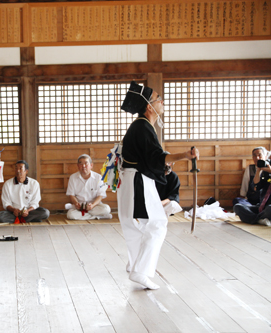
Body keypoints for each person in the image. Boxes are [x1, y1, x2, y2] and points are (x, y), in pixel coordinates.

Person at [117, 81, 199, 290]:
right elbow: (156, 157)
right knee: (157, 224)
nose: (162, 102)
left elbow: (151, 160)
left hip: (130, 180)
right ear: (149, 106)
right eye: (158, 99)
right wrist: (185, 156)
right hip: (137, 181)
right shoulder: (143, 126)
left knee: (138, 225)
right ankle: (141, 271)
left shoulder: (141, 126)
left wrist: (167, 167)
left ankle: (134, 264)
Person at [66, 154, 112, 220]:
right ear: (78, 166)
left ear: (91, 165)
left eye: (86, 163)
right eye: (81, 164)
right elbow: (71, 195)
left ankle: (85, 216)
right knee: (70, 215)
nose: (83, 166)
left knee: (106, 209)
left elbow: (100, 195)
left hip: (94, 206)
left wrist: (92, 205)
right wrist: (76, 203)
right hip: (80, 206)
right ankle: (97, 217)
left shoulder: (98, 177)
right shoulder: (73, 177)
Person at [233, 158, 271, 226]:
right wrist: (258, 169)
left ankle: (254, 219)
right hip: (261, 206)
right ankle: (260, 219)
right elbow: (256, 187)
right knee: (237, 207)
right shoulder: (265, 175)